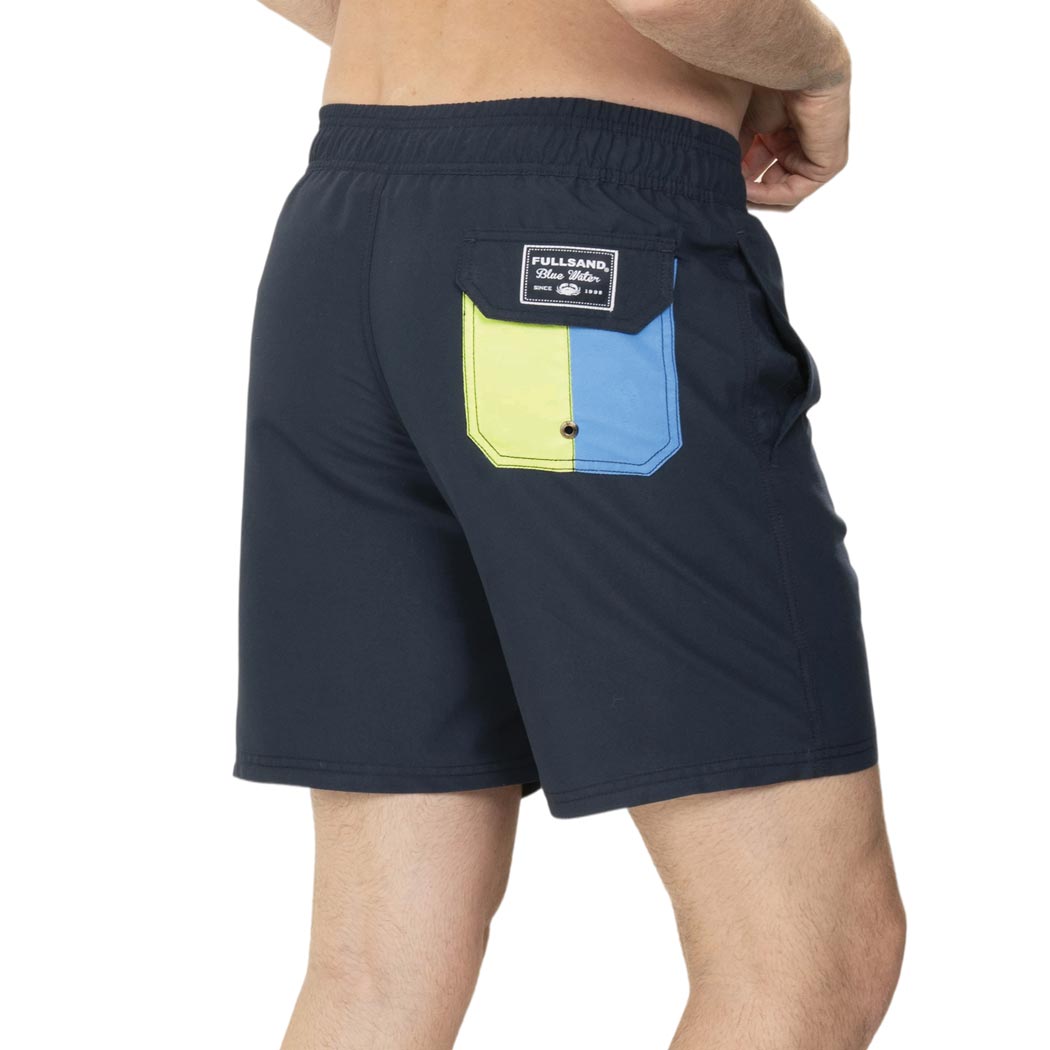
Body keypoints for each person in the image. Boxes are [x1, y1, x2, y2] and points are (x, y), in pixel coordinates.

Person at [235, 1, 906, 1046]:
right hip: (576, 230)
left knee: (378, 970)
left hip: (343, 242)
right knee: (805, 949)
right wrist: (815, 69)